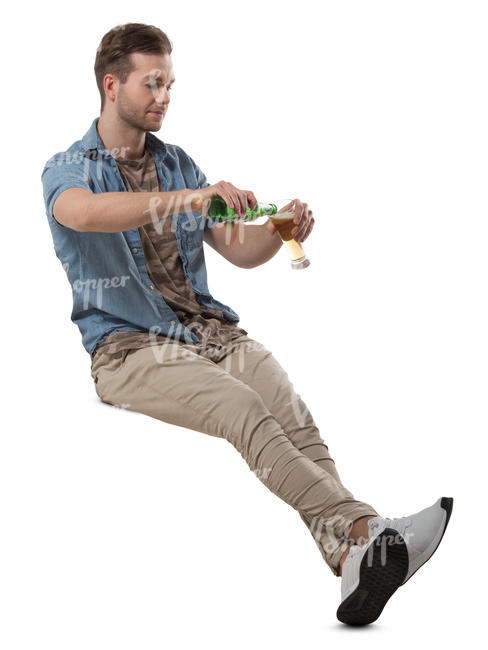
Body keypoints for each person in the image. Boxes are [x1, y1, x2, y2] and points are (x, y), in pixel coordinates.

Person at [40, 22, 453, 625]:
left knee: (291, 411)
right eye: (152, 83)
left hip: (209, 332)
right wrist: (190, 198)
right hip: (128, 350)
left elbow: (238, 250)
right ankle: (366, 527)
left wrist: (278, 231)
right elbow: (83, 214)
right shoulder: (68, 167)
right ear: (112, 84)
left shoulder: (178, 163)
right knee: (240, 407)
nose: (165, 96)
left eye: (170, 84)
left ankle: (350, 558)